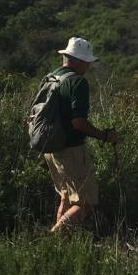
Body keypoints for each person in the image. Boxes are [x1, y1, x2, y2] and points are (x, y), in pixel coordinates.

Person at [43, 37, 118, 234]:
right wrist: (103, 136)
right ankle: (53, 240)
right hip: (71, 150)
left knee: (66, 198)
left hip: (50, 148)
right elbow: (78, 123)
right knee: (86, 202)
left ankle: (60, 246)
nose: (89, 66)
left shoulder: (51, 78)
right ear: (79, 61)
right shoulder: (78, 83)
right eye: (87, 62)